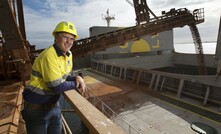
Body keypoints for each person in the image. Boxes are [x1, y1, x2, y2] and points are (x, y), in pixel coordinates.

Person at [21, 21, 87, 134]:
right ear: (56, 37)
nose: (69, 42)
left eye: (72, 39)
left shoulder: (68, 54)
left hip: (54, 106)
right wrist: (76, 83)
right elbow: (56, 86)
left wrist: (76, 78)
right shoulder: (49, 55)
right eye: (65, 37)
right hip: (36, 110)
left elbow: (63, 76)